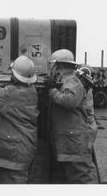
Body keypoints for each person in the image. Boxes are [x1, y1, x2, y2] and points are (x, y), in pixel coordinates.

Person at [0, 55, 39, 184]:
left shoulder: (10, 94)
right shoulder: (32, 90)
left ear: (13, 74)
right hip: (23, 147)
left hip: (14, 150)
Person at [48, 49, 98, 184]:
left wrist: (52, 91)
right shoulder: (68, 80)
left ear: (57, 65)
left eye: (52, 64)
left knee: (82, 178)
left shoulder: (72, 81)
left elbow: (69, 101)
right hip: (71, 139)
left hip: (74, 141)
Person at [76, 64, 98, 154]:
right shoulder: (87, 89)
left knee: (85, 156)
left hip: (87, 129)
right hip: (89, 128)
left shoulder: (84, 91)